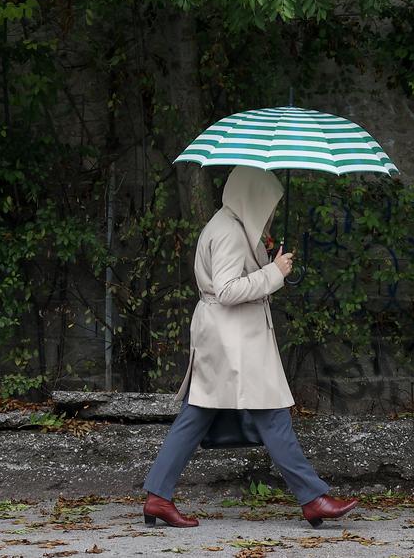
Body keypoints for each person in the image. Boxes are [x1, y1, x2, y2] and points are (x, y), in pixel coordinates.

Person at [142, 165, 359, 529]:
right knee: (270, 414)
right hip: (232, 340)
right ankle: (312, 499)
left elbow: (235, 276)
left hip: (230, 338)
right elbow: (227, 290)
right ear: (252, 196)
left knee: (199, 415)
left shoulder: (232, 225)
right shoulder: (228, 231)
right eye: (266, 202)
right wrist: (273, 272)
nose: (270, 211)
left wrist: (266, 254)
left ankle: (157, 497)